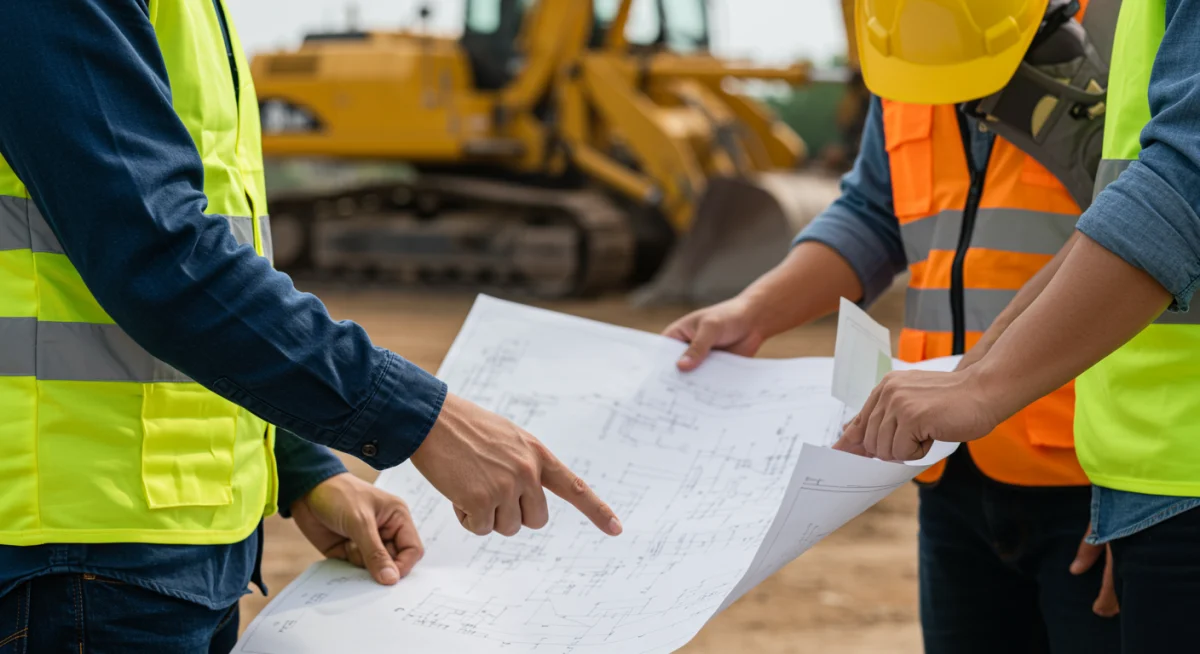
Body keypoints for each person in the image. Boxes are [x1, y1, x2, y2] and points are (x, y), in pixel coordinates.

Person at [0, 0, 620, 651]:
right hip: (72, 555)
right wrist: (419, 417)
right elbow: (157, 252)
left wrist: (302, 468)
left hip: (171, 550)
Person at [665, 1, 1123, 651]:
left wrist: (1142, 495)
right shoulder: (908, 36)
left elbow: (1155, 248)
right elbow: (874, 212)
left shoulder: (1125, 33)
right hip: (947, 464)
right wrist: (753, 311)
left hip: (1095, 471)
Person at [836, 0, 1200, 650]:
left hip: (1121, 471)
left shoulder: (1119, 22)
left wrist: (983, 384)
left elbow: (1175, 195)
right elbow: (1128, 205)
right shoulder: (900, 39)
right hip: (1023, 462)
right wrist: (978, 371)